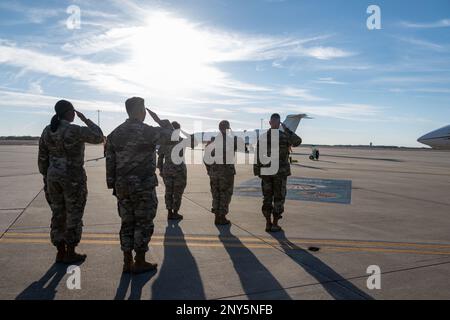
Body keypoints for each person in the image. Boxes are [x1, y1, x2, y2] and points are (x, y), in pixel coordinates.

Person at [105, 97, 173, 274]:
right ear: (140, 110)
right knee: (143, 222)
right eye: (143, 109)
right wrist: (161, 122)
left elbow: (110, 162)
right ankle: (140, 261)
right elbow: (171, 137)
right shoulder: (147, 131)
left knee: (126, 222)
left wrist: (113, 185)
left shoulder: (115, 134)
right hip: (143, 185)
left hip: (122, 186)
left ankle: (127, 261)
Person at [38, 100, 104, 264]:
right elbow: (98, 137)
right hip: (72, 178)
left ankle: (60, 251)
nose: (75, 114)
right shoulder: (74, 130)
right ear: (69, 112)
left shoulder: (47, 130)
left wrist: (47, 177)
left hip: (53, 177)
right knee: (74, 213)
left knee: (58, 213)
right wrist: (86, 120)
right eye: (73, 111)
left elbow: (42, 159)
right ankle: (70, 251)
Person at [254, 113, 302, 232]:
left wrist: (258, 171)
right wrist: (286, 129)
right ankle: (274, 223)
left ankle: (268, 223)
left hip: (266, 173)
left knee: (267, 198)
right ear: (279, 123)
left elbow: (258, 156)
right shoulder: (285, 136)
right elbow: (297, 141)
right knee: (279, 198)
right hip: (280, 174)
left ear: (270, 123)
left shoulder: (263, 137)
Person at [204, 121, 244, 225]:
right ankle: (222, 217)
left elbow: (206, 158)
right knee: (225, 195)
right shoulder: (231, 141)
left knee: (216, 194)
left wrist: (209, 170)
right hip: (226, 173)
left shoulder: (212, 141)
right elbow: (243, 146)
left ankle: (217, 216)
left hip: (214, 173)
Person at [157, 121, 197, 220]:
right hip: (179, 170)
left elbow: (160, 158)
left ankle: (169, 212)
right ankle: (175, 212)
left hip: (167, 169)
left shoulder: (165, 142)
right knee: (177, 192)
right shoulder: (181, 140)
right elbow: (194, 144)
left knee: (169, 191)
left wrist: (161, 170)